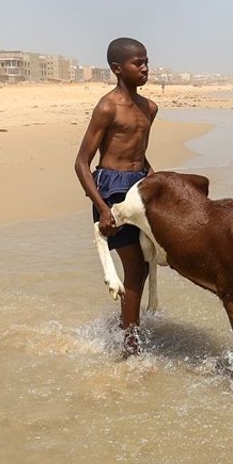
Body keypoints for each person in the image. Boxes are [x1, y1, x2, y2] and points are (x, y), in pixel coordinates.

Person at [74, 37, 158, 356]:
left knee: (147, 264)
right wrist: (102, 208)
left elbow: (140, 155)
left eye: (147, 61)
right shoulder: (108, 107)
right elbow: (82, 162)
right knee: (135, 268)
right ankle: (130, 346)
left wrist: (158, 183)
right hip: (111, 190)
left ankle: (125, 326)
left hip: (139, 188)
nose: (145, 68)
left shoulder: (150, 107)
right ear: (117, 69)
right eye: (138, 63)